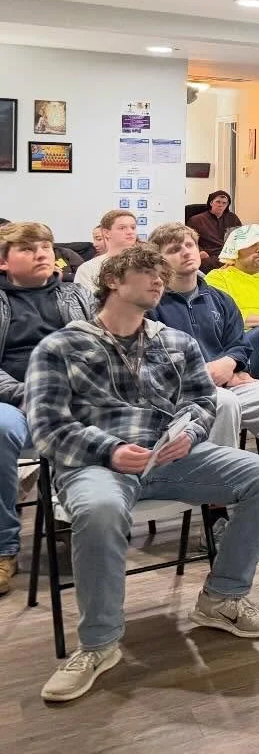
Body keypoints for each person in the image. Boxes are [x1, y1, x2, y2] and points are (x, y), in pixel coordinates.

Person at [27, 245, 259, 702]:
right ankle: (99, 644)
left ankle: (222, 598)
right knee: (102, 510)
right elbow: (48, 426)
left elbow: (203, 401)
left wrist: (190, 430)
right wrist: (108, 450)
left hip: (170, 457)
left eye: (161, 275)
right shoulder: (62, 345)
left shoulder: (175, 341)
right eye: (146, 272)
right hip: (96, 463)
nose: (158, 281)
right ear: (113, 280)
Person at [0, 221, 94, 595]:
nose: (41, 253)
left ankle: (73, 519)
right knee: (1, 430)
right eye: (27, 248)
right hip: (14, 400)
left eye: (45, 246)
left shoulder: (79, 295)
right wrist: (25, 394)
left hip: (73, 398)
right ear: (4, 262)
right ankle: (5, 547)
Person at [147, 223, 259, 455]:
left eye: (190, 245)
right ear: (159, 260)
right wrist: (204, 375)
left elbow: (239, 344)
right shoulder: (150, 303)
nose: (186, 252)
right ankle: (221, 480)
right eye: (175, 249)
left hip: (226, 382)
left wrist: (230, 364)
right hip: (177, 392)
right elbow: (149, 358)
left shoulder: (220, 299)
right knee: (223, 402)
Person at [205, 225, 259, 329]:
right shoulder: (218, 278)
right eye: (252, 244)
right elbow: (222, 317)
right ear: (235, 249)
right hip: (240, 339)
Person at [74, 210, 138, 293]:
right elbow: (85, 302)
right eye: (122, 228)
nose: (130, 232)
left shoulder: (147, 263)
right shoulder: (88, 268)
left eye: (133, 227)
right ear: (107, 233)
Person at [187, 190, 241, 273]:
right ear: (211, 203)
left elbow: (241, 236)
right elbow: (190, 239)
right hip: (209, 255)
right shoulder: (196, 220)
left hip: (229, 253)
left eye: (224, 203)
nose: (221, 205)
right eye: (218, 202)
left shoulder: (232, 218)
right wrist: (199, 251)